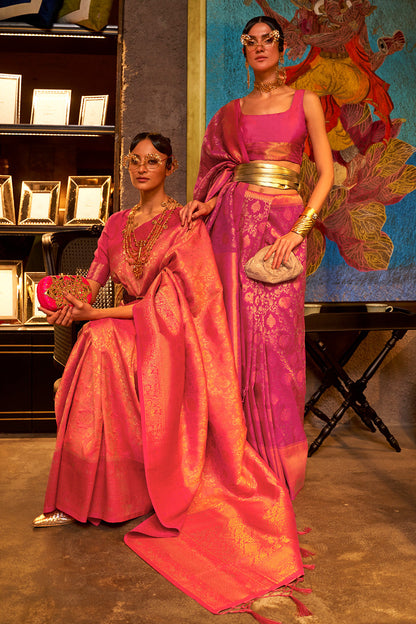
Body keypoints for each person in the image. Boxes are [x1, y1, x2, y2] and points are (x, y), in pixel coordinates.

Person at [32, 132, 312, 621]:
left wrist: (96, 315)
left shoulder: (184, 224)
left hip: (170, 336)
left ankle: (113, 495)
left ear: (170, 167)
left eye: (153, 160)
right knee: (97, 338)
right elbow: (93, 281)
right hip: (126, 326)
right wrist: (68, 300)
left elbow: (183, 303)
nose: (142, 168)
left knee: (99, 336)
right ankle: (80, 496)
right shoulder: (116, 224)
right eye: (135, 160)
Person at [180, 15, 334, 499]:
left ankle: (278, 465)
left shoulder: (306, 101)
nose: (261, 47)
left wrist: (299, 230)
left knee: (275, 342)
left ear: (283, 48)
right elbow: (223, 171)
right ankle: (235, 458)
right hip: (233, 227)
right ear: (245, 51)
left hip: (283, 226)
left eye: (269, 40)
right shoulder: (232, 111)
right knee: (232, 336)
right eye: (252, 41)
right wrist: (206, 204)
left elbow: (326, 174)